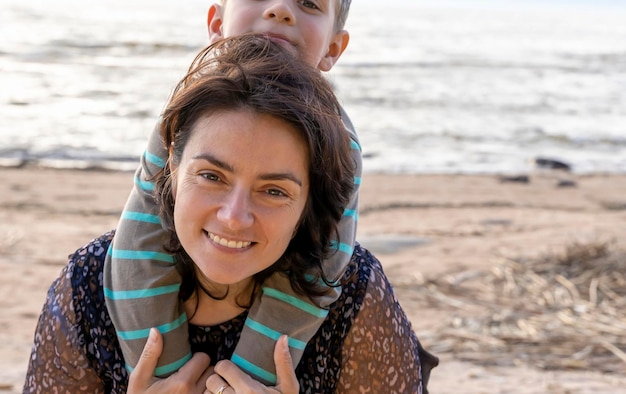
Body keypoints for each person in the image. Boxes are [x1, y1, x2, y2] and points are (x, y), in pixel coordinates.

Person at [23, 34, 438, 393]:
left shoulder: (353, 293)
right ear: (171, 168)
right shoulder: (87, 287)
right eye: (212, 176)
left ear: (308, 204)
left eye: (274, 190)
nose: (234, 217)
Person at [104, 0, 361, 384]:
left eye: (309, 3)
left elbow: (319, 270)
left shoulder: (338, 144)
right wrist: (165, 374)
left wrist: (246, 381)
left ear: (332, 48)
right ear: (216, 25)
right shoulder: (185, 114)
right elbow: (139, 247)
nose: (280, 10)